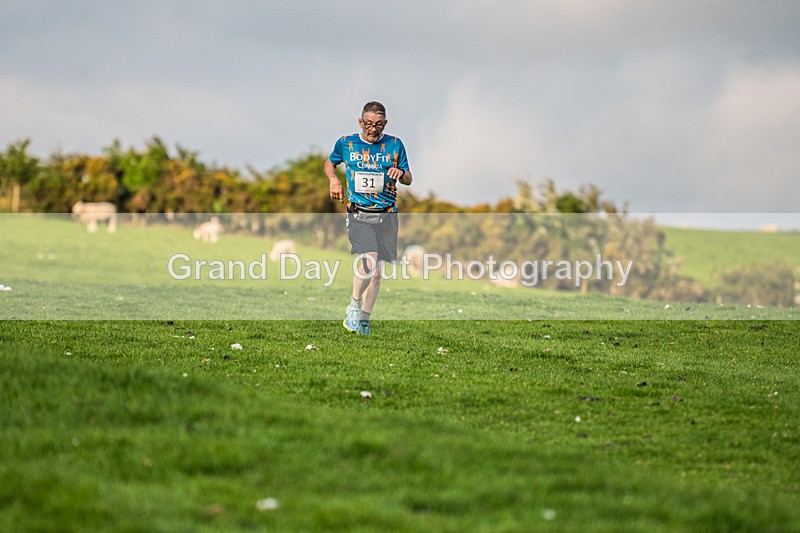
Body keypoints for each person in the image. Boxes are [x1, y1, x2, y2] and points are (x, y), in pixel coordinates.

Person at [323, 101, 413, 335]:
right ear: (360, 122)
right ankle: (353, 306)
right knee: (369, 261)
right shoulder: (346, 143)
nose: (374, 129)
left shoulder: (395, 145)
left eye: (379, 125)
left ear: (386, 124)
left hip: (388, 215)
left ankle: (364, 319)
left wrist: (400, 173)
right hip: (359, 213)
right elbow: (329, 163)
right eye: (369, 124)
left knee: (378, 273)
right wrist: (334, 180)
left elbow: (409, 178)